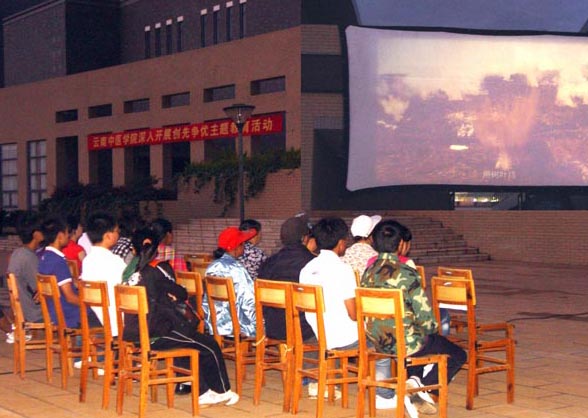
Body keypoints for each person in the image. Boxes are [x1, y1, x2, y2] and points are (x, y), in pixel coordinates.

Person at [361, 219, 467, 415]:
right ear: (401, 244)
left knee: (419, 344)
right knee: (458, 354)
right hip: (405, 342)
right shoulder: (407, 273)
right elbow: (426, 317)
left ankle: (414, 382)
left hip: (376, 341)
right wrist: (432, 331)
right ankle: (420, 387)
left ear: (373, 242)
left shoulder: (368, 272)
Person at [123, 229, 238, 406]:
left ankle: (202, 389)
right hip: (156, 333)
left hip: (134, 332)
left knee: (191, 341)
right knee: (209, 344)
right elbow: (180, 292)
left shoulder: (131, 273)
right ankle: (222, 391)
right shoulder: (155, 270)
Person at [299, 217, 395, 408]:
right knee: (385, 339)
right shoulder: (342, 270)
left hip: (320, 335)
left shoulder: (307, 269)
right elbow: (353, 314)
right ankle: (384, 395)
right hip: (345, 339)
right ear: (341, 243)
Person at [257, 215, 316, 342]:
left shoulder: (269, 263)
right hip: (304, 330)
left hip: (274, 328)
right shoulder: (313, 263)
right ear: (304, 238)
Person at [38, 217, 100, 328]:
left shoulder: (44, 257)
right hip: (70, 316)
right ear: (60, 236)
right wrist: (91, 304)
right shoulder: (58, 261)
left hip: (54, 313)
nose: (69, 236)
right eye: (67, 233)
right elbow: (70, 297)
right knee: (104, 316)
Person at [203, 227, 256, 337]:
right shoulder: (236, 269)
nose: (245, 246)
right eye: (243, 244)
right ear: (236, 247)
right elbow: (249, 301)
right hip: (238, 327)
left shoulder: (212, 266)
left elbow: (205, 302)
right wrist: (259, 324)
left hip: (215, 325)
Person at [80, 212, 127, 336]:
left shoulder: (87, 261)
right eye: (117, 231)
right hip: (116, 322)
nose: (118, 234)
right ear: (108, 236)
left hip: (96, 318)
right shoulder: (115, 261)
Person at [6, 213, 44, 324]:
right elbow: (41, 289)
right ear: (36, 235)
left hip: (22, 310)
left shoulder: (17, 253)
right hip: (35, 314)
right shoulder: (29, 257)